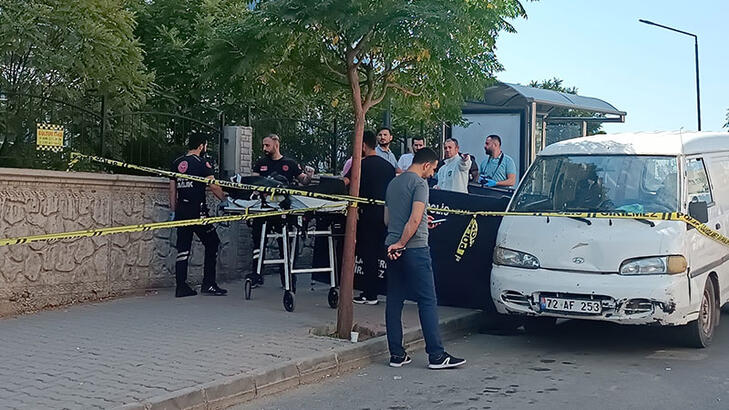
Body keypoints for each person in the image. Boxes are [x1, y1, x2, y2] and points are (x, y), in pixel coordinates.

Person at [384, 147, 466, 370]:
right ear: (426, 164)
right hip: (415, 248)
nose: (432, 174)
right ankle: (436, 355)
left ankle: (396, 354)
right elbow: (414, 218)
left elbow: (388, 219)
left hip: (391, 246)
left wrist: (397, 242)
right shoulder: (420, 184)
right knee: (427, 300)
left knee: (394, 300)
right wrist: (403, 242)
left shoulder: (393, 183)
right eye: (433, 169)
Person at [248, 134, 315, 289]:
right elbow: (253, 182)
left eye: (267, 145)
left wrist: (310, 175)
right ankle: (256, 275)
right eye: (263, 145)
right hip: (264, 209)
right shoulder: (261, 163)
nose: (264, 148)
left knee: (286, 245)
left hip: (284, 210)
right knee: (258, 242)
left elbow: (304, 181)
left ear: (276, 145)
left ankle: (288, 278)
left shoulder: (290, 163)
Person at [169, 134, 228, 297]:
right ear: (201, 146)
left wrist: (173, 210)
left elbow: (172, 190)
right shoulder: (202, 163)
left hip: (182, 211)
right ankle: (209, 284)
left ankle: (181, 287)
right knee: (212, 242)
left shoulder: (177, 162)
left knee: (183, 248)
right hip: (198, 212)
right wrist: (225, 200)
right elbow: (213, 186)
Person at [344, 130, 395, 304]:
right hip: (385, 214)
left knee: (367, 254)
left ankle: (369, 293)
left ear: (363, 146)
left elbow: (346, 183)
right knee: (382, 252)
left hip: (365, 215)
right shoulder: (388, 166)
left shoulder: (360, 165)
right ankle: (386, 290)